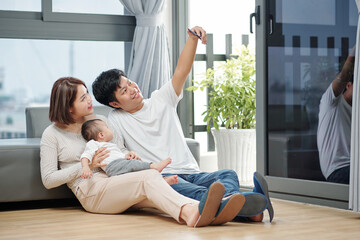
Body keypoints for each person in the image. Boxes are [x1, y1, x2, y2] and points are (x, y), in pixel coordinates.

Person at [92, 26, 274, 222]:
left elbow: (181, 71)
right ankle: (248, 210)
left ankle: (236, 205)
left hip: (193, 172)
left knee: (227, 174)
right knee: (178, 188)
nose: (132, 89)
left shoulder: (161, 99)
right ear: (114, 103)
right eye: (123, 90)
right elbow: (118, 155)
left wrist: (192, 40)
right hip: (166, 177)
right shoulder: (116, 119)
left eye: (129, 83)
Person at [40, 77, 244, 228]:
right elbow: (48, 180)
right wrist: (87, 166)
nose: (89, 100)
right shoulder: (52, 135)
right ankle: (193, 213)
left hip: (115, 181)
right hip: (91, 191)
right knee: (150, 176)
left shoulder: (98, 121)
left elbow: (117, 150)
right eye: (83, 98)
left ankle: (211, 209)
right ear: (68, 107)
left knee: (160, 188)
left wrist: (128, 154)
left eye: (87, 94)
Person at [80, 118, 178, 185]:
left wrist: (126, 155)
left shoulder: (111, 145)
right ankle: (154, 166)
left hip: (120, 163)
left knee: (140, 174)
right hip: (113, 166)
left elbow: (117, 155)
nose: (110, 129)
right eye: (107, 127)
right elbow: (85, 155)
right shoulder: (93, 144)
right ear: (101, 134)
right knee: (135, 164)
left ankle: (162, 181)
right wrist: (86, 168)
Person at [317, 52, 355, 184]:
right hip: (338, 170)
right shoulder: (332, 102)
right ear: (348, 85)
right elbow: (344, 75)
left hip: (353, 168)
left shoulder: (356, 113)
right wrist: (356, 50)